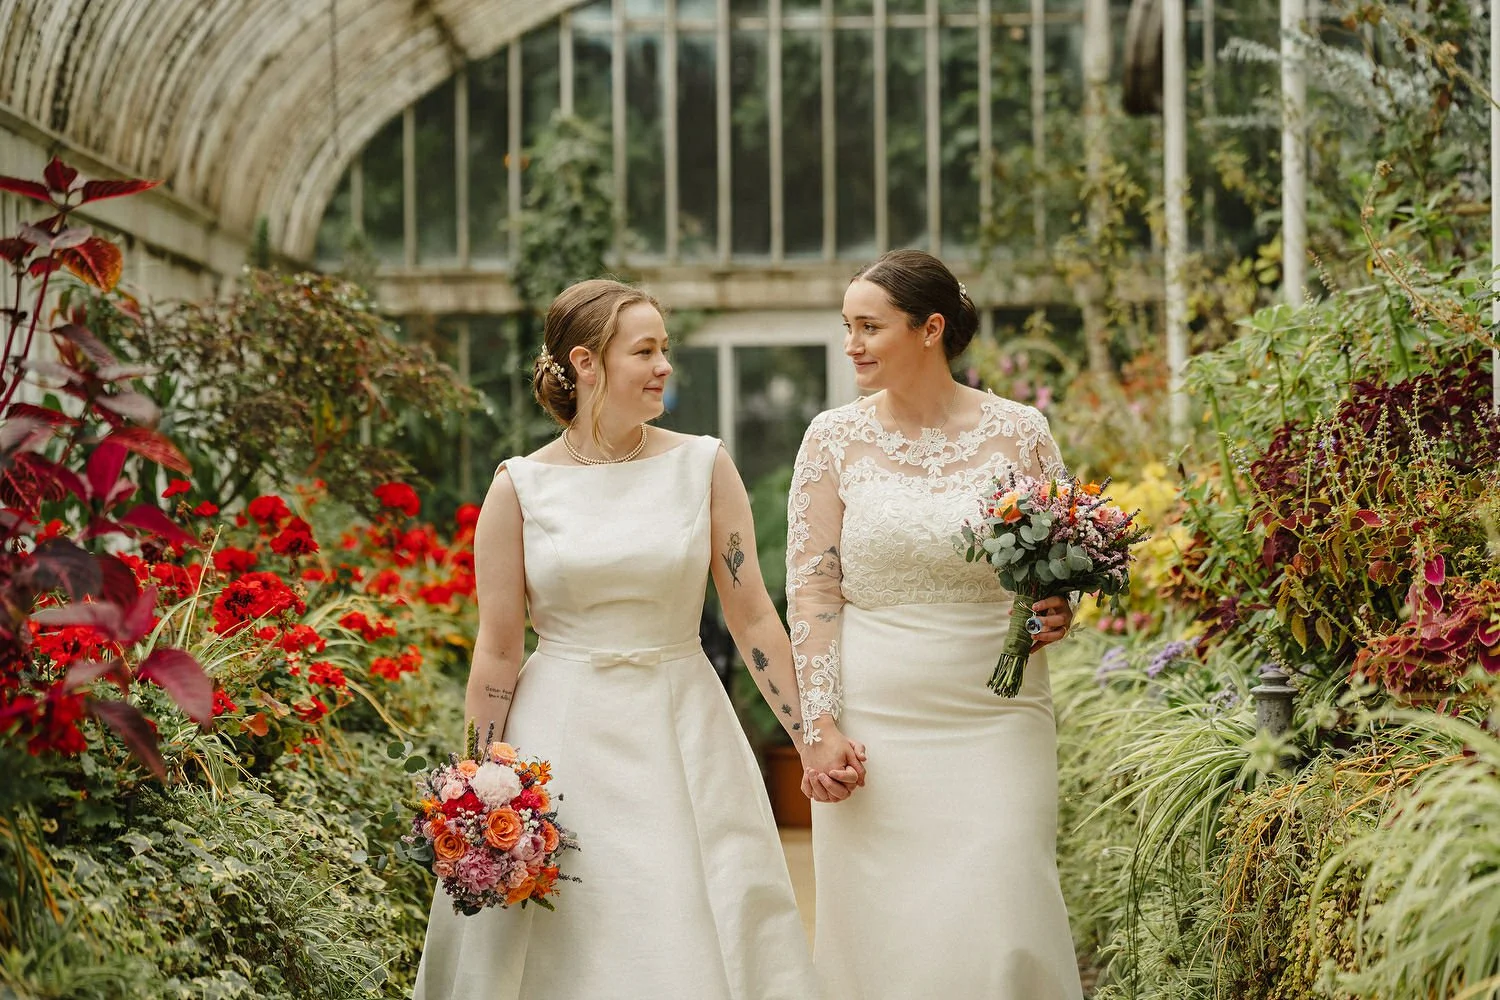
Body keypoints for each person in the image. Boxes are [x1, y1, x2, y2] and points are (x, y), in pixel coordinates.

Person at [412, 278, 865, 1000]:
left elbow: (752, 618)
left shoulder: (704, 465)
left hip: (682, 725)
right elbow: (497, 650)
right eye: (646, 350)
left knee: (689, 911)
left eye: (665, 349)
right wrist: (474, 787)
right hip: (559, 736)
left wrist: (812, 731)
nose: (664, 366)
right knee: (569, 932)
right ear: (587, 363)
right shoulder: (518, 489)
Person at [786, 250, 1084, 998]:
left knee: (1005, 905)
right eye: (846, 326)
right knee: (887, 931)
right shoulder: (830, 438)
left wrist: (1057, 606)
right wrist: (817, 725)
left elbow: (1058, 558)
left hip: (998, 712)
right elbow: (814, 590)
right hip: (878, 720)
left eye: (868, 326)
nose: (851, 343)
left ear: (931, 329)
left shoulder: (1022, 431)